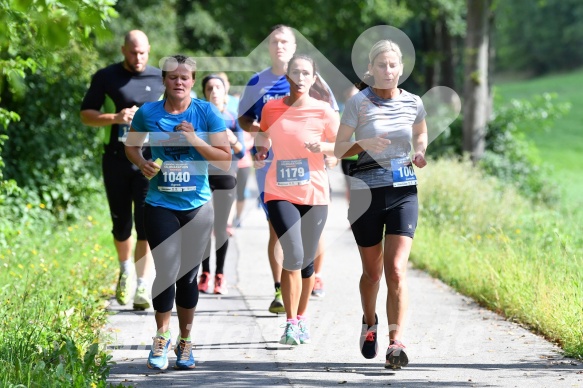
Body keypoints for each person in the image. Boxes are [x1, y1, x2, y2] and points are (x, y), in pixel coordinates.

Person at [124, 55, 231, 370]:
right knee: (166, 272)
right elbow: (131, 145)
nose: (179, 82)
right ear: (164, 80)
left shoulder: (206, 112)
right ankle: (161, 336)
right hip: (160, 204)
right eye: (173, 77)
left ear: (192, 81)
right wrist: (141, 162)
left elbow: (224, 159)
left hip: (197, 207)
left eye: (185, 77)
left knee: (187, 278)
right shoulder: (148, 113)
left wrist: (194, 139)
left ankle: (185, 342)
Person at [334, 40, 428, 369]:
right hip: (366, 195)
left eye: (393, 65)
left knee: (397, 271)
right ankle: (369, 321)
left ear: (401, 68)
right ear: (371, 69)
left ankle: (396, 342)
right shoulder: (358, 103)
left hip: (403, 191)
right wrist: (363, 143)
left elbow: (420, 134)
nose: (388, 71)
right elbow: (338, 149)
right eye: (382, 66)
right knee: (372, 274)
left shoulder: (414, 102)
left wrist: (419, 152)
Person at [238, 25, 338, 313]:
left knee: (310, 233)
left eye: (285, 42)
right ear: (268, 47)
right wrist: (265, 135)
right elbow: (245, 120)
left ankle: (313, 276)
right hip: (273, 168)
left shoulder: (316, 84)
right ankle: (280, 289)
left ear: (294, 47)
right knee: (278, 230)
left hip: (310, 170)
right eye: (274, 42)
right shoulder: (258, 83)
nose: (279, 46)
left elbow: (334, 124)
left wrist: (331, 154)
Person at [255, 54, 339, 345]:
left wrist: (327, 151)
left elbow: (340, 147)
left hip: (314, 193)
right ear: (287, 77)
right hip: (279, 190)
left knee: (306, 263)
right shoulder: (271, 108)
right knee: (291, 253)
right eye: (295, 73)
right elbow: (263, 136)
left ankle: (301, 318)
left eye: (306, 73)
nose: (301, 78)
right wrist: (260, 151)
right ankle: (290, 322)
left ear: (314, 79)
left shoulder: (324, 111)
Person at [80, 30, 164, 310]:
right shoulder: (106, 76)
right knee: (121, 225)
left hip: (148, 161)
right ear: (122, 50)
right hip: (115, 159)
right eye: (132, 52)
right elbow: (86, 115)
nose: (137, 58)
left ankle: (142, 284)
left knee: (146, 224)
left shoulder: (159, 77)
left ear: (149, 50)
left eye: (142, 52)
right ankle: (125, 270)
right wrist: (116, 117)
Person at [198, 74, 245, 295]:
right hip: (202, 176)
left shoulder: (233, 118)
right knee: (204, 227)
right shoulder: (197, 116)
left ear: (225, 91)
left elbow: (242, 151)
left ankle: (220, 275)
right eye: (209, 88)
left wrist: (231, 137)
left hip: (226, 175)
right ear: (204, 93)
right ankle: (204, 273)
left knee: (220, 227)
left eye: (218, 87)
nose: (214, 91)